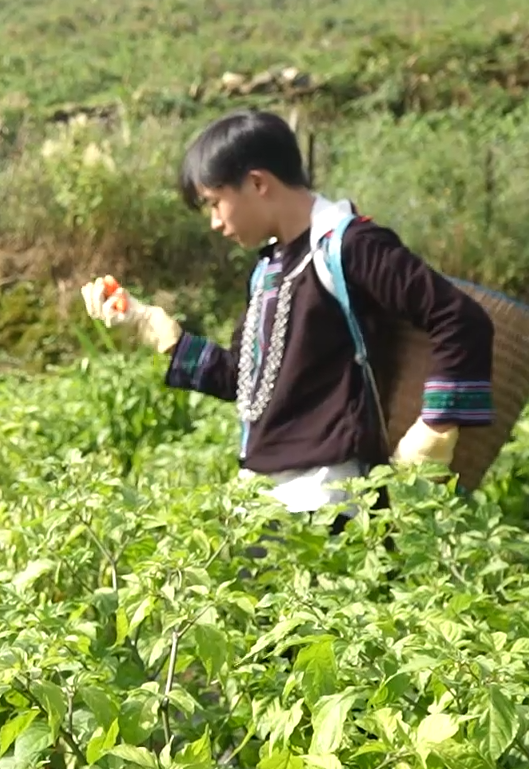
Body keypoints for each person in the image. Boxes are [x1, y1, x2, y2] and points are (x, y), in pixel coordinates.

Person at [81, 109, 495, 522]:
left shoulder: (351, 246)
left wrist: (435, 427)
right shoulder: (269, 270)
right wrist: (158, 331)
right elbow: (244, 382)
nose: (214, 223)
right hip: (264, 500)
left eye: (215, 203)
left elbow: (460, 319)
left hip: (331, 499)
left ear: (258, 183)